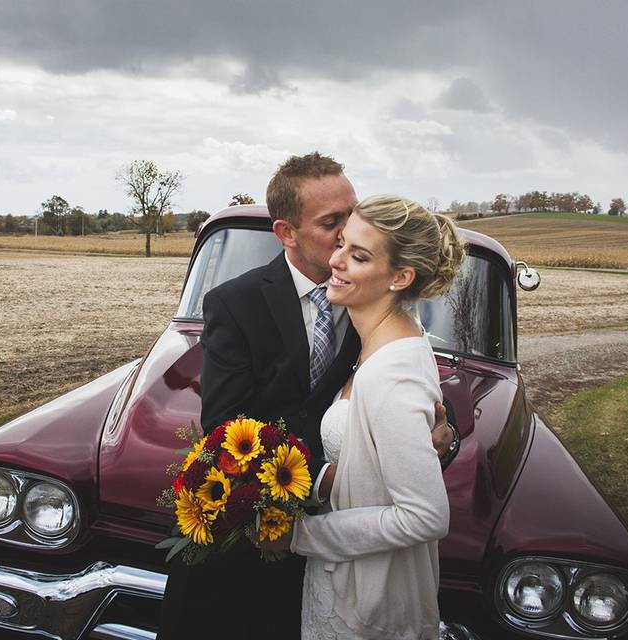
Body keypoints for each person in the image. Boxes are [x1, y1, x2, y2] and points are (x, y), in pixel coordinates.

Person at [158, 154, 456, 640]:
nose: (346, 236)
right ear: (286, 232)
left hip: (353, 558)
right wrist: (323, 479)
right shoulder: (236, 303)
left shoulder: (380, 306)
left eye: (352, 215)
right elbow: (227, 427)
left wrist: (442, 437)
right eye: (331, 223)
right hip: (259, 550)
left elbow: (420, 398)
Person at [267, 194, 466, 640]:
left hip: (369, 602)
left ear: (401, 277)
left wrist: (302, 536)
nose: (335, 261)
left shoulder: (393, 376)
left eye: (357, 256)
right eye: (341, 245)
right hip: (347, 581)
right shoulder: (374, 344)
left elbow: (425, 517)